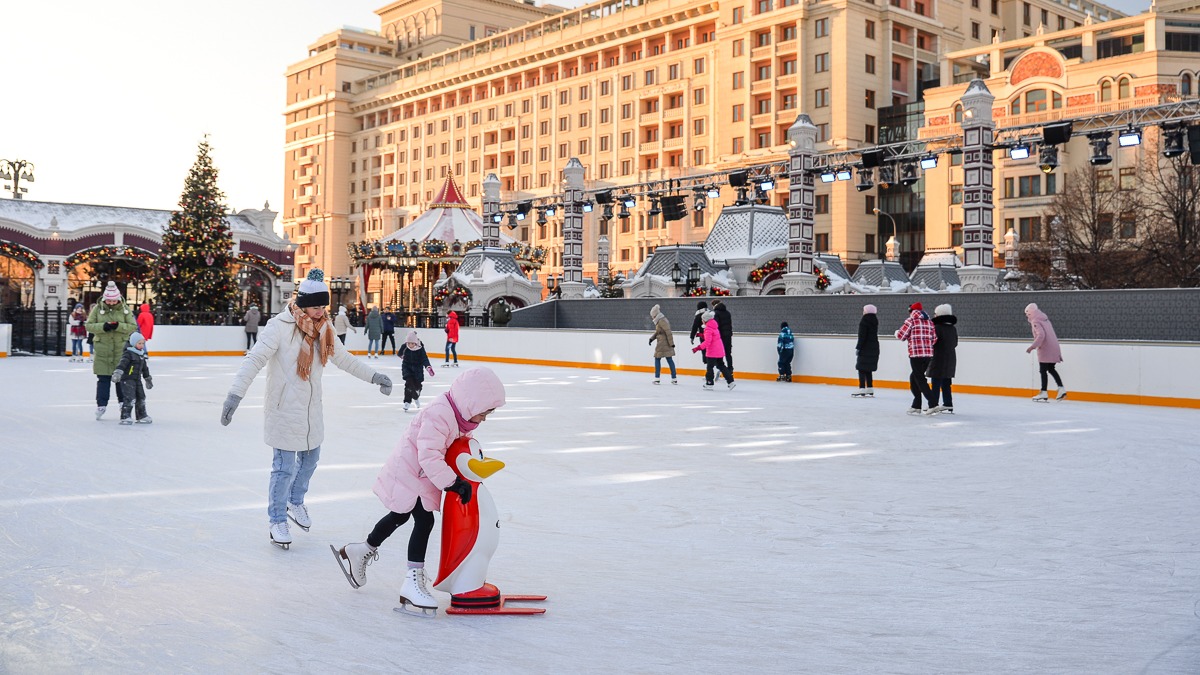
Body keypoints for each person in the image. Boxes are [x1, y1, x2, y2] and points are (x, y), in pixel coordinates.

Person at [220, 269, 394, 550]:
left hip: (312, 411)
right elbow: (253, 360)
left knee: (311, 459)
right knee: (284, 468)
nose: (320, 311)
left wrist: (375, 377)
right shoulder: (278, 326)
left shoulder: (325, 328)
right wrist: (234, 395)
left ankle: (294, 501)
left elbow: (345, 359)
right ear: (301, 304)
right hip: (284, 410)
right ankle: (277, 519)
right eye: (315, 306)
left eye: (323, 306)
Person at [332, 367, 506, 614]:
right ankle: (411, 582)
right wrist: (453, 483)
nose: (485, 418)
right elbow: (429, 455)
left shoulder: (457, 417)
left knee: (400, 516)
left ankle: (361, 550)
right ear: (472, 402)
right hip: (411, 473)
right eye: (485, 412)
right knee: (424, 522)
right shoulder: (440, 414)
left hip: (419, 475)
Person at [86, 281, 137, 420]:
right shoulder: (97, 309)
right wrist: (103, 326)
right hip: (103, 350)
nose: (111, 302)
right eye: (109, 299)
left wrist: (119, 326)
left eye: (114, 300)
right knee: (103, 379)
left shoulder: (125, 309)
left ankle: (123, 404)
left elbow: (132, 326)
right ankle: (101, 405)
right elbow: (89, 326)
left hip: (120, 350)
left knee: (121, 378)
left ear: (118, 298)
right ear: (104, 298)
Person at [894, 301, 937, 415]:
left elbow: (901, 336)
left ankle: (933, 403)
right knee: (914, 377)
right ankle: (916, 405)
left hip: (916, 354)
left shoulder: (911, 321)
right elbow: (934, 339)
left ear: (911, 311)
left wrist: (896, 332)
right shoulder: (929, 322)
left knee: (919, 378)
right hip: (928, 354)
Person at [1025, 302, 1067, 401]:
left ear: (1030, 313)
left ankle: (1043, 392)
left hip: (1046, 348)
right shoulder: (1044, 319)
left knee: (1043, 370)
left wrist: (1032, 346)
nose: (1026, 316)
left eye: (1027, 314)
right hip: (1054, 346)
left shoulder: (1035, 321)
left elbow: (1041, 335)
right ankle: (1061, 389)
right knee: (1051, 369)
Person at [112, 332, 153, 425]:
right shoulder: (128, 353)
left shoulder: (141, 355)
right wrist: (118, 373)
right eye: (139, 343)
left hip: (137, 379)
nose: (142, 345)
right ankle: (125, 416)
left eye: (143, 343)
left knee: (141, 397)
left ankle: (142, 416)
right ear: (134, 343)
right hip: (127, 379)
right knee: (129, 398)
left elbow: (145, 368)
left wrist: (147, 379)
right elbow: (122, 364)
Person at [927, 304, 958, 414]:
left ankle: (933, 404)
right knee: (946, 382)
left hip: (938, 358)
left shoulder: (937, 328)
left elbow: (932, 342)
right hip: (950, 358)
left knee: (935, 382)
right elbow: (955, 343)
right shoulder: (952, 328)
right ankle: (948, 403)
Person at [692, 309, 735, 390]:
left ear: (705, 320)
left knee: (710, 367)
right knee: (721, 365)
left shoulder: (708, 329)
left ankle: (709, 382)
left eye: (703, 319)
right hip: (719, 349)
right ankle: (731, 381)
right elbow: (712, 337)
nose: (702, 321)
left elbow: (708, 342)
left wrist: (698, 348)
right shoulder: (714, 326)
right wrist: (701, 335)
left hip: (712, 351)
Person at [398, 330, 435, 411]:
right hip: (407, 368)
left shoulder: (420, 348)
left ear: (415, 342)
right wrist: (402, 356)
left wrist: (428, 367)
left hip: (417, 370)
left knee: (417, 387)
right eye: (408, 343)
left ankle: (416, 396)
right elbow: (399, 353)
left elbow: (424, 358)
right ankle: (407, 402)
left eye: (412, 343)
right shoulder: (405, 346)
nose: (410, 345)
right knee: (408, 385)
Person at [852, 305, 880, 398]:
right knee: (868, 369)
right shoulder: (875, 320)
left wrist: (858, 348)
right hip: (874, 347)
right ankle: (870, 387)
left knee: (861, 368)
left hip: (865, 347)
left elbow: (862, 336)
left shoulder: (864, 321)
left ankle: (862, 388)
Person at [648, 304, 677, 385]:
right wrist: (652, 338)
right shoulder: (660, 320)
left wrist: (672, 344)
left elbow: (668, 332)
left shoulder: (661, 321)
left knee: (657, 358)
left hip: (663, 343)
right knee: (669, 359)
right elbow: (658, 332)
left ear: (655, 314)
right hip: (665, 343)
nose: (652, 318)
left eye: (652, 316)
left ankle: (657, 378)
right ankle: (674, 378)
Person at [711, 299, 734, 375]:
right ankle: (730, 369)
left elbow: (716, 325)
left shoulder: (716, 313)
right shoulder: (728, 313)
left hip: (720, 336)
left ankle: (720, 367)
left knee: (718, 352)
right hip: (728, 335)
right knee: (728, 353)